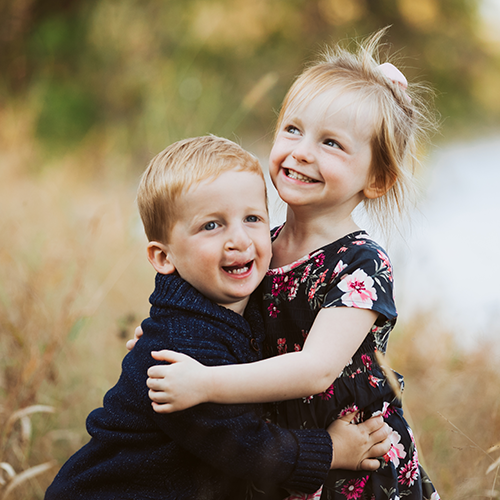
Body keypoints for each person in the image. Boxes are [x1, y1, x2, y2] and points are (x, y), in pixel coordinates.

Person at [137, 31, 440, 500]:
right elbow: (214, 310)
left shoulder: (360, 263)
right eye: (293, 130)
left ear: (376, 178)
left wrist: (203, 381)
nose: (301, 151)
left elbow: (316, 370)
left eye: (332, 144)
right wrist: (165, 334)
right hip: (287, 452)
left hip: (354, 457)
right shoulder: (262, 244)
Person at [45, 135, 391, 500]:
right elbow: (244, 446)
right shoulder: (181, 349)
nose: (239, 239)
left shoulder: (228, 308)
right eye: (212, 225)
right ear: (164, 257)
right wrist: (333, 449)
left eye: (253, 218)